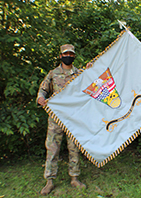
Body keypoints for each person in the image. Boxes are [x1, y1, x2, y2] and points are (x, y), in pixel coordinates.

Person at [37, 44, 91, 195]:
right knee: (52, 148)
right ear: (60, 56)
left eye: (71, 54)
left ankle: (74, 178)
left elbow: (90, 83)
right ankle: (49, 181)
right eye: (66, 53)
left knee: (74, 148)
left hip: (74, 118)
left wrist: (91, 70)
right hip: (56, 118)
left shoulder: (79, 73)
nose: (69, 56)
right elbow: (43, 89)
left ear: (74, 56)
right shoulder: (53, 73)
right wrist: (41, 98)